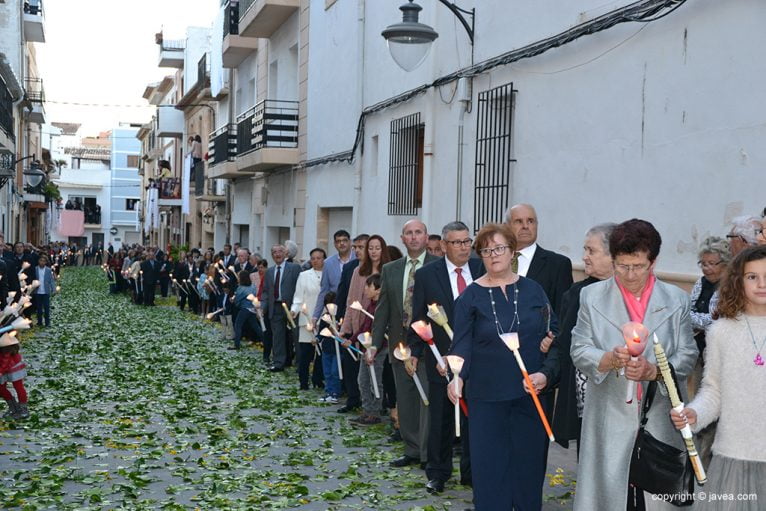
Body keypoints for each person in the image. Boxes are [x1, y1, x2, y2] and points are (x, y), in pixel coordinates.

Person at [570, 219, 698, 510]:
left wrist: (654, 371)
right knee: (611, 497)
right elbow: (579, 348)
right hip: (609, 416)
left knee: (655, 499)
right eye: (621, 265)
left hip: (659, 420)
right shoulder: (591, 297)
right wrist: (609, 359)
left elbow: (688, 354)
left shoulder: (676, 299)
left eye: (638, 266)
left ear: (654, 261)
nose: (629, 274)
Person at [447, 223, 558, 510]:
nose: (493, 254)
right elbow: (461, 345)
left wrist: (546, 370)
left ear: (512, 252)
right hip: (487, 397)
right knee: (490, 471)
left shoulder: (533, 290)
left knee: (528, 470)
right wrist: (457, 377)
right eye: (486, 250)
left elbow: (553, 332)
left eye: (499, 248)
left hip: (530, 394)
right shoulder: (469, 296)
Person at [670, 245, 766, 511]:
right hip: (733, 454)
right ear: (738, 280)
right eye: (752, 277)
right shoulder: (721, 331)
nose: (761, 284)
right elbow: (714, 391)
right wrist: (694, 413)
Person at [409, 221, 484, 493]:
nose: (464, 247)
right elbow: (419, 316)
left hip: (478, 359)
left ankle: (472, 472)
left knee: (474, 418)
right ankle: (438, 473)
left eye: (467, 241)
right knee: (441, 419)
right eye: (457, 242)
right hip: (440, 359)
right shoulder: (428, 275)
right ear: (443, 245)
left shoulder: (482, 268)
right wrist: (416, 351)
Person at [372, 219, 437, 468]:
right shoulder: (391, 269)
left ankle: (426, 453)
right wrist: (374, 345)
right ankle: (411, 449)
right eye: (408, 233)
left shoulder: (437, 266)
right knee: (406, 399)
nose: (413, 237)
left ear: (426, 236)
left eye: (418, 232)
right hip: (400, 346)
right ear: (402, 238)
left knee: (426, 399)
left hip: (427, 345)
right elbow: (383, 310)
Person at [551, 223, 616, 455]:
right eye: (585, 250)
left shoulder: (629, 295)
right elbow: (565, 342)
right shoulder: (578, 293)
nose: (584, 257)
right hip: (585, 397)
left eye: (591, 251)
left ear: (613, 255)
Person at [341, 235, 391, 422]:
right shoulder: (358, 271)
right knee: (365, 375)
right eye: (370, 248)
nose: (373, 251)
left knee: (377, 374)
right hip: (363, 328)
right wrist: (347, 329)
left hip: (383, 331)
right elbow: (350, 300)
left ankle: (380, 408)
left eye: (377, 248)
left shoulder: (390, 269)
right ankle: (368, 408)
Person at [260, 245, 301, 372]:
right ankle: (278, 363)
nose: (277, 254)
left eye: (280, 251)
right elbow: (266, 292)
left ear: (285, 254)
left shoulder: (294, 268)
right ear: (272, 255)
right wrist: (262, 307)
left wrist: (297, 305)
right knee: (277, 336)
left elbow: (300, 287)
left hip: (292, 307)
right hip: (275, 307)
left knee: (296, 336)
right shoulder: (270, 272)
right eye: (274, 252)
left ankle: (300, 364)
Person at [291, 248, 326, 390]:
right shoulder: (304, 275)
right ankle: (303, 381)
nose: (316, 261)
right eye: (313, 258)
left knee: (322, 352)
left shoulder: (328, 274)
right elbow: (298, 297)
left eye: (319, 258)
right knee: (306, 353)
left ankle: (318, 378)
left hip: (324, 319)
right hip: (307, 318)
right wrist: (294, 310)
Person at [352, 274, 385, 425]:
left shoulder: (382, 306)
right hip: (366, 347)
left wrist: (374, 348)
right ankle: (367, 410)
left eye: (368, 286)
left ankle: (375, 412)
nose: (365, 289)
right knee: (362, 379)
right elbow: (365, 326)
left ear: (378, 290)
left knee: (375, 380)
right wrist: (351, 339)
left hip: (379, 348)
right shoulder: (370, 305)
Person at [313, 230, 355, 322]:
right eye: (338, 241)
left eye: (344, 240)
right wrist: (315, 316)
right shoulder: (328, 263)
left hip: (355, 307)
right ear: (335, 244)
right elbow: (324, 290)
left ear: (350, 242)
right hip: (336, 309)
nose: (342, 243)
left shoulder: (358, 259)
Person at [0, 334, 29, 420]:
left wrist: (0, 371)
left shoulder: (5, 339)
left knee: (18, 387)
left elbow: (6, 358)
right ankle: (14, 408)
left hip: (13, 365)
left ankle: (23, 409)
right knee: (1, 388)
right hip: (2, 366)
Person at [34, 254, 56, 327]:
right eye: (41, 261)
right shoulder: (35, 269)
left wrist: (53, 289)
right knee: (39, 308)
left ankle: (47, 322)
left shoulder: (48, 270)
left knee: (46, 308)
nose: (42, 262)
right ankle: (39, 322)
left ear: (46, 262)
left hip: (46, 291)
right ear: (38, 261)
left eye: (44, 261)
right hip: (37, 291)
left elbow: (51, 280)